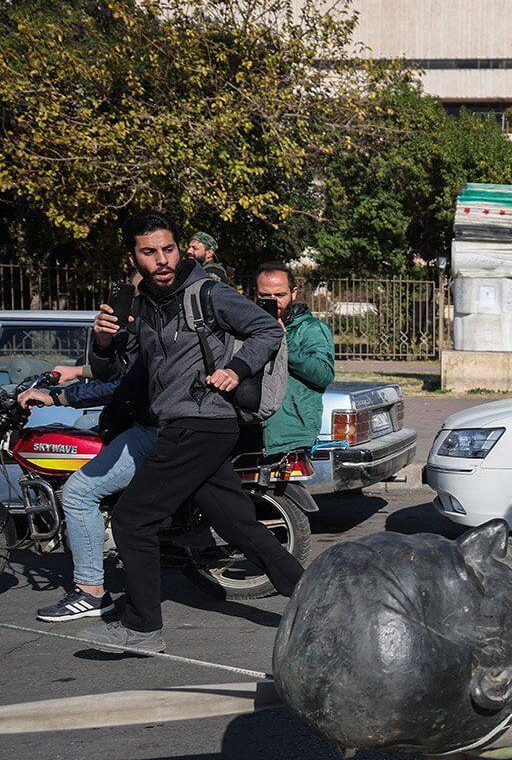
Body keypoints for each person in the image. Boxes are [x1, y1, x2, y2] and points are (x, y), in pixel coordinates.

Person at [78, 210, 303, 652]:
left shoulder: (208, 293)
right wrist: (102, 342)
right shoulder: (140, 306)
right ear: (134, 258)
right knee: (239, 527)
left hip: (201, 421)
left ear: (180, 249)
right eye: (150, 252)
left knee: (132, 518)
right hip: (186, 424)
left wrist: (236, 370)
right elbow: (116, 368)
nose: (162, 259)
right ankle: (320, 597)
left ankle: (143, 627)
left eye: (168, 249)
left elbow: (266, 331)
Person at [18, 352, 155, 622]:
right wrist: (79, 371)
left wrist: (58, 397)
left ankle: (91, 592)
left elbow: (126, 383)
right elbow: (126, 367)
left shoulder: (149, 317)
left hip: (151, 428)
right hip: (146, 421)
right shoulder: (152, 318)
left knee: (78, 493)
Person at [252, 263, 334, 457]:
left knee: (289, 487)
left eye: (280, 295)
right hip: (251, 426)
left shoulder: (312, 329)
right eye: (265, 296)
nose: (274, 301)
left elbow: (323, 374)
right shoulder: (248, 326)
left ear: (293, 293)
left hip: (290, 430)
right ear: (256, 294)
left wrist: (284, 340)